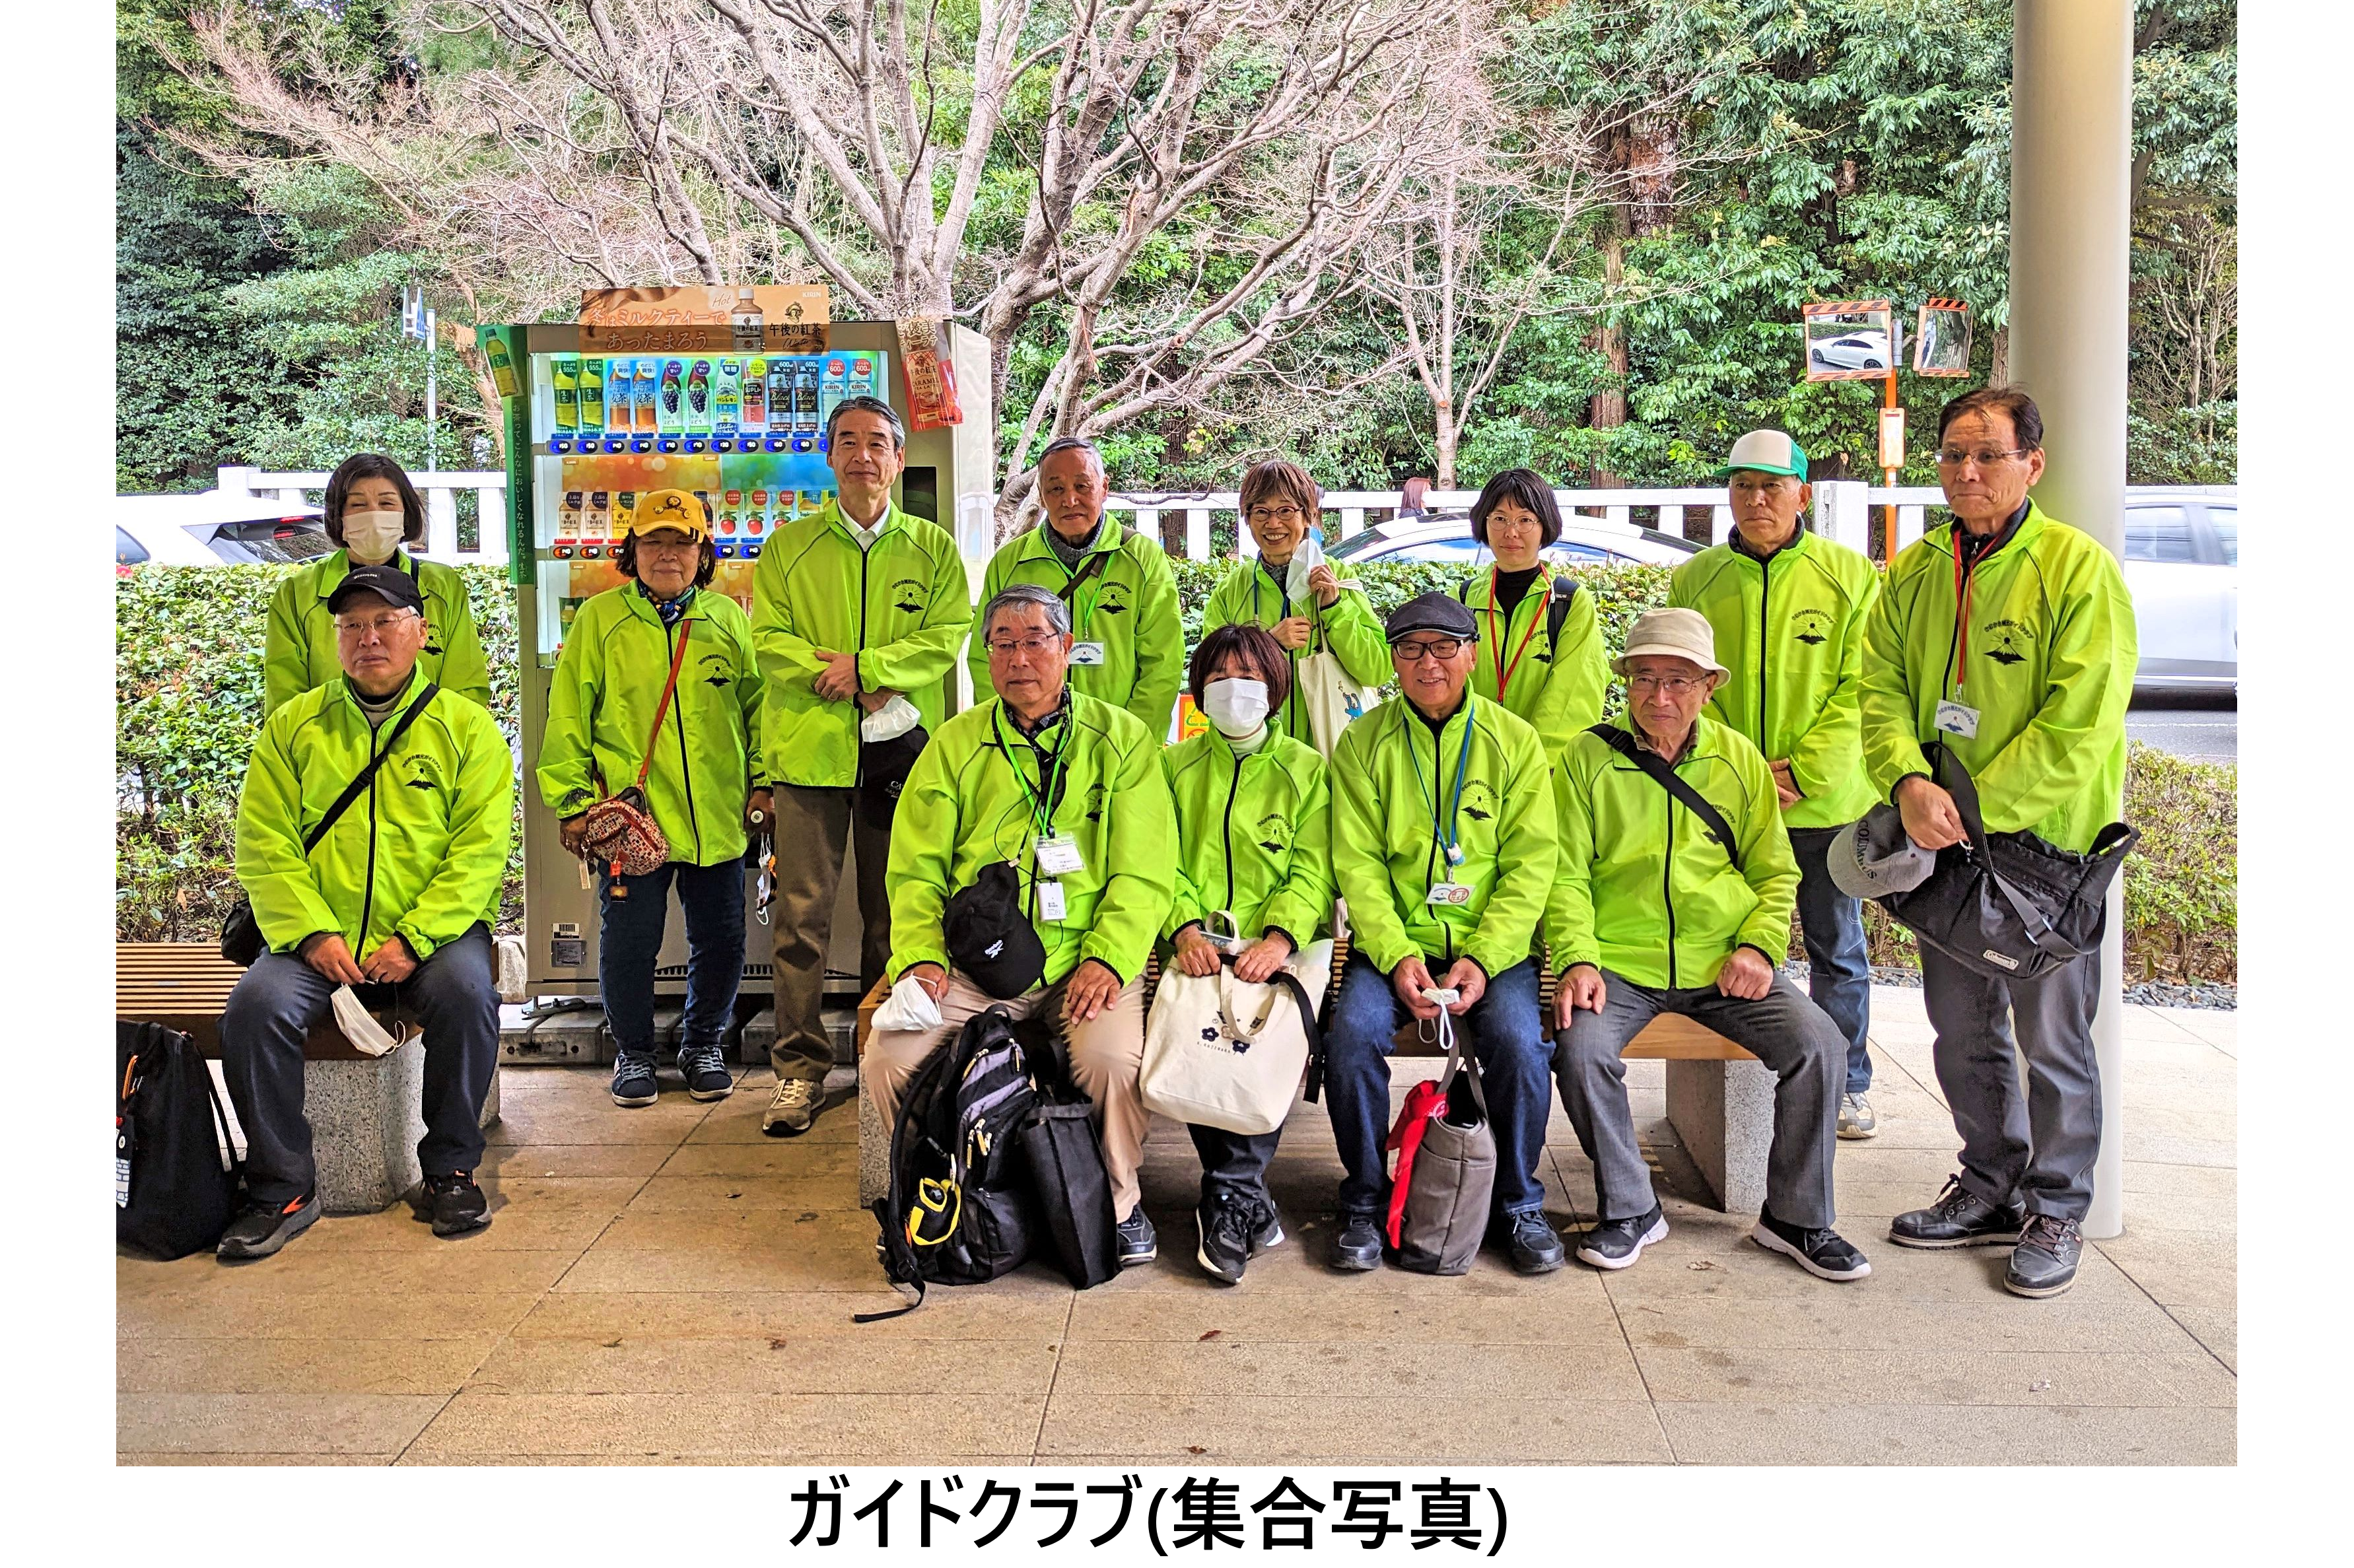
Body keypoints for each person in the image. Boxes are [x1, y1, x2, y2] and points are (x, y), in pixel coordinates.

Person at [1861, 388, 2135, 1299]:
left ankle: (2058, 1204)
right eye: (1952, 455)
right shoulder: (1915, 568)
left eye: (1986, 454)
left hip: (2041, 860)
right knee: (1961, 1026)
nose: (1966, 472)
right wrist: (1905, 779)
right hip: (1942, 847)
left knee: (2053, 1041)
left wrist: (1972, 808)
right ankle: (1988, 1178)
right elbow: (1879, 686)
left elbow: (2080, 723)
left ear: (2033, 464)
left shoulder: (2076, 568)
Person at [1546, 607, 1870, 1281]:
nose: (1659, 696)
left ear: (1707, 686)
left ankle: (1796, 1217)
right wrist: (1577, 956)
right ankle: (1632, 1206)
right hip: (1620, 962)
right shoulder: (1585, 759)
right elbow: (1566, 872)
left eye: (1677, 680)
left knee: (1820, 1043)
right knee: (1578, 1048)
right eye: (1644, 678)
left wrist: (1757, 946)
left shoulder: (1737, 759)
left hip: (1722, 961)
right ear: (1625, 683)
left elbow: (1774, 870)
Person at [870, 584, 1178, 1266]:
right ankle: (933, 1198)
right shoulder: (955, 743)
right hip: (975, 964)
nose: (1019, 657)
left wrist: (1110, 956)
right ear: (986, 656)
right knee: (889, 1058)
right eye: (1002, 643)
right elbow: (914, 869)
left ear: (1067, 648)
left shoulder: (1120, 738)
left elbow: (1145, 870)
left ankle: (1119, 1204)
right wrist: (919, 958)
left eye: (1035, 639)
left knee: (1113, 1060)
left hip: (1081, 960)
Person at [215, 564, 513, 1259]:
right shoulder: (295, 726)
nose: (368, 638)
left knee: (469, 994)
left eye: (384, 622)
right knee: (254, 1009)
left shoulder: (466, 728)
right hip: (316, 937)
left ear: (420, 632)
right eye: (352, 626)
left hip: (429, 935)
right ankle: (282, 1186)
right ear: (337, 639)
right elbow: (264, 842)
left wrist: (414, 938)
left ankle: (449, 1169)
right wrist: (313, 931)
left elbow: (478, 851)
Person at [1322, 593, 1563, 1274]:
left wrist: (1485, 957)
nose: (1427, 663)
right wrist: (1396, 954)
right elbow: (1357, 861)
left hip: (1493, 946)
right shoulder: (1363, 742)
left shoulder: (1513, 741)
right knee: (1351, 1038)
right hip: (1395, 940)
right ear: (1391, 660)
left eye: (1442, 647)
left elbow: (1529, 864)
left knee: (1520, 1042)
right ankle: (1365, 1199)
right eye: (1409, 649)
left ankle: (1519, 1200)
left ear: (1471, 653)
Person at [751, 395, 973, 1136]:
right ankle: (797, 1071)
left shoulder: (931, 548)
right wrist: (838, 676)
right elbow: (769, 640)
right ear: (829, 454)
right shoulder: (790, 546)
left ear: (898, 457)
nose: (862, 455)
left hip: (901, 756)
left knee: (896, 919)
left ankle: (889, 1057)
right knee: (800, 920)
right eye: (847, 441)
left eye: (877, 442)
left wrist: (870, 667)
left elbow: (948, 635)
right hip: (808, 753)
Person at [1668, 430, 1885, 1138]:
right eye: (1741, 486)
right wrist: (1745, 768)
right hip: (1727, 797)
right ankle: (1750, 1068)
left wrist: (1803, 767)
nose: (1756, 500)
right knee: (1728, 936)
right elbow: (1689, 681)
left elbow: (1863, 687)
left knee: (1836, 947)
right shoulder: (1695, 579)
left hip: (1824, 799)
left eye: (1771, 486)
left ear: (1801, 493)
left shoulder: (1849, 575)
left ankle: (1847, 1081)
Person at [538, 490, 765, 1109]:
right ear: (631, 551)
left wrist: (764, 781)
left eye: (682, 541)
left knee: (721, 940)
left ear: (703, 552)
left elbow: (754, 710)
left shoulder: (725, 618)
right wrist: (572, 801)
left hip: (715, 816)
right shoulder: (600, 619)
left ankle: (701, 1044)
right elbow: (568, 718)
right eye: (653, 541)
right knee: (630, 941)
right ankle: (634, 1053)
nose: (668, 554)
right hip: (629, 823)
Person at [1161, 623, 1336, 1282]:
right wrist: (1183, 926)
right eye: (1219, 677)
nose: (1235, 690)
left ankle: (1228, 1190)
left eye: (1251, 677)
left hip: (1282, 948)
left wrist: (1280, 936)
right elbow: (1157, 860)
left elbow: (1315, 866)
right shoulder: (1171, 767)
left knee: (1264, 1034)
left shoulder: (1307, 770)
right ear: (1200, 690)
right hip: (1200, 945)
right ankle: (1241, 1197)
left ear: (1276, 687)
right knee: (1200, 1028)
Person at [967, 436, 1185, 737]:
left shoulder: (1142, 558)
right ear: (1042, 498)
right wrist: (1011, 731)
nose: (1070, 500)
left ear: (1104, 488)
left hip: (1118, 736)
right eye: (1056, 489)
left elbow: (1163, 661)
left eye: (1083, 486)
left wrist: (1135, 739)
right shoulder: (1011, 564)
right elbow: (985, 655)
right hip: (1028, 737)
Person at [263, 453, 493, 716]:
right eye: (358, 505)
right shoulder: (297, 593)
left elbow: (466, 690)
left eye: (387, 503)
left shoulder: (442, 586)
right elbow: (285, 703)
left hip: (427, 753)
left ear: (406, 513)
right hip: (329, 752)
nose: (374, 514)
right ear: (339, 517)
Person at [1197, 460, 1390, 749]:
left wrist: (1334, 608)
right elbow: (1210, 677)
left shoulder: (1340, 579)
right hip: (1256, 754)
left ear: (1308, 516)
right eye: (1261, 511)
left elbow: (1377, 669)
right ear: (1247, 518)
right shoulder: (1231, 590)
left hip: (1331, 751)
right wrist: (1268, 644)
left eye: (1286, 510)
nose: (1273, 523)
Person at [1452, 469, 1609, 761]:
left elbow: (1573, 695)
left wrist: (1536, 763)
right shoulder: (1462, 599)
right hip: (1468, 760)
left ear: (1544, 525)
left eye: (1525, 520)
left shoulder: (1568, 602)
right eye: (1499, 519)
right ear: (1484, 523)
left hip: (1542, 768)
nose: (1511, 532)